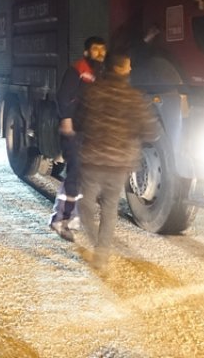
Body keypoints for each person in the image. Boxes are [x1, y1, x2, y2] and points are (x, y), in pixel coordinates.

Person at [75, 50, 162, 270]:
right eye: (128, 65)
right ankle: (102, 253)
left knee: (85, 205)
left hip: (93, 160)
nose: (131, 68)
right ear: (121, 69)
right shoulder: (134, 98)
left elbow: (78, 122)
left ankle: (95, 243)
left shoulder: (92, 92)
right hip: (119, 163)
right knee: (109, 207)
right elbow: (152, 132)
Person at [49, 36, 106, 241]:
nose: (100, 53)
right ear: (86, 52)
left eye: (102, 50)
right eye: (96, 49)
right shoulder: (77, 70)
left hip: (88, 131)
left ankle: (71, 217)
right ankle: (61, 219)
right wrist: (66, 119)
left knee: (82, 175)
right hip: (74, 130)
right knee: (74, 174)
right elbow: (63, 96)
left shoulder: (100, 73)